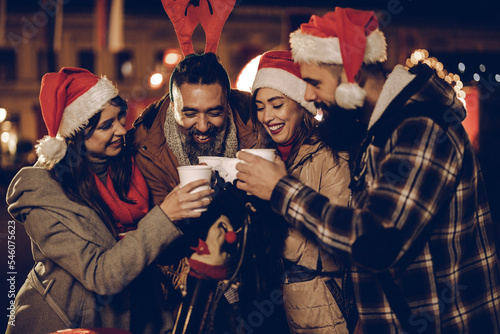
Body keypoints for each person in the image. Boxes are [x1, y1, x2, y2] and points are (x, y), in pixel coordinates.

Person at [236, 7, 500, 333]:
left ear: (352, 76)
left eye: (314, 82)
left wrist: (281, 189)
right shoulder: (380, 129)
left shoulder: (421, 127)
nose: (306, 94)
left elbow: (376, 240)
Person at [5, 67, 212, 334]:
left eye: (120, 119)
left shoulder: (129, 166)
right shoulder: (43, 192)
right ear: (77, 135)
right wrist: (165, 215)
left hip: (137, 314)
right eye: (106, 125)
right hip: (70, 322)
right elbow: (102, 275)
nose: (120, 131)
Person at [250, 50, 354, 333]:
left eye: (276, 104)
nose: (267, 116)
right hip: (279, 306)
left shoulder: (330, 154)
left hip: (323, 309)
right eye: (259, 106)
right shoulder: (266, 156)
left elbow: (338, 244)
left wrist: (267, 240)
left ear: (300, 103)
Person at [131, 52, 256, 207]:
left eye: (215, 113)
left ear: (227, 106)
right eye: (190, 114)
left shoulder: (256, 131)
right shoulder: (147, 149)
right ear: (173, 107)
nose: (203, 126)